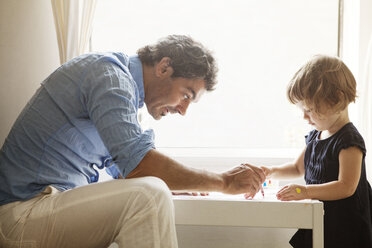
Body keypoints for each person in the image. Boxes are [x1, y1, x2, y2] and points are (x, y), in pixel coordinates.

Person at [0, 35, 265, 248]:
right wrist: (224, 182)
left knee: (152, 190)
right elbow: (140, 166)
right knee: (149, 196)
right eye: (186, 95)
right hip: (21, 214)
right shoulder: (110, 77)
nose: (183, 110)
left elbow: (128, 172)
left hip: (41, 208)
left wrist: (179, 181)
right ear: (163, 67)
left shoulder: (123, 97)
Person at [261, 55, 372, 248]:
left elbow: (346, 186)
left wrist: (304, 191)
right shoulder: (315, 135)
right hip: (320, 215)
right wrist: (270, 171)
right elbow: (297, 169)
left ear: (337, 99)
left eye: (310, 109)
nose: (304, 116)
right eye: (302, 110)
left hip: (346, 223)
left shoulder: (349, 140)